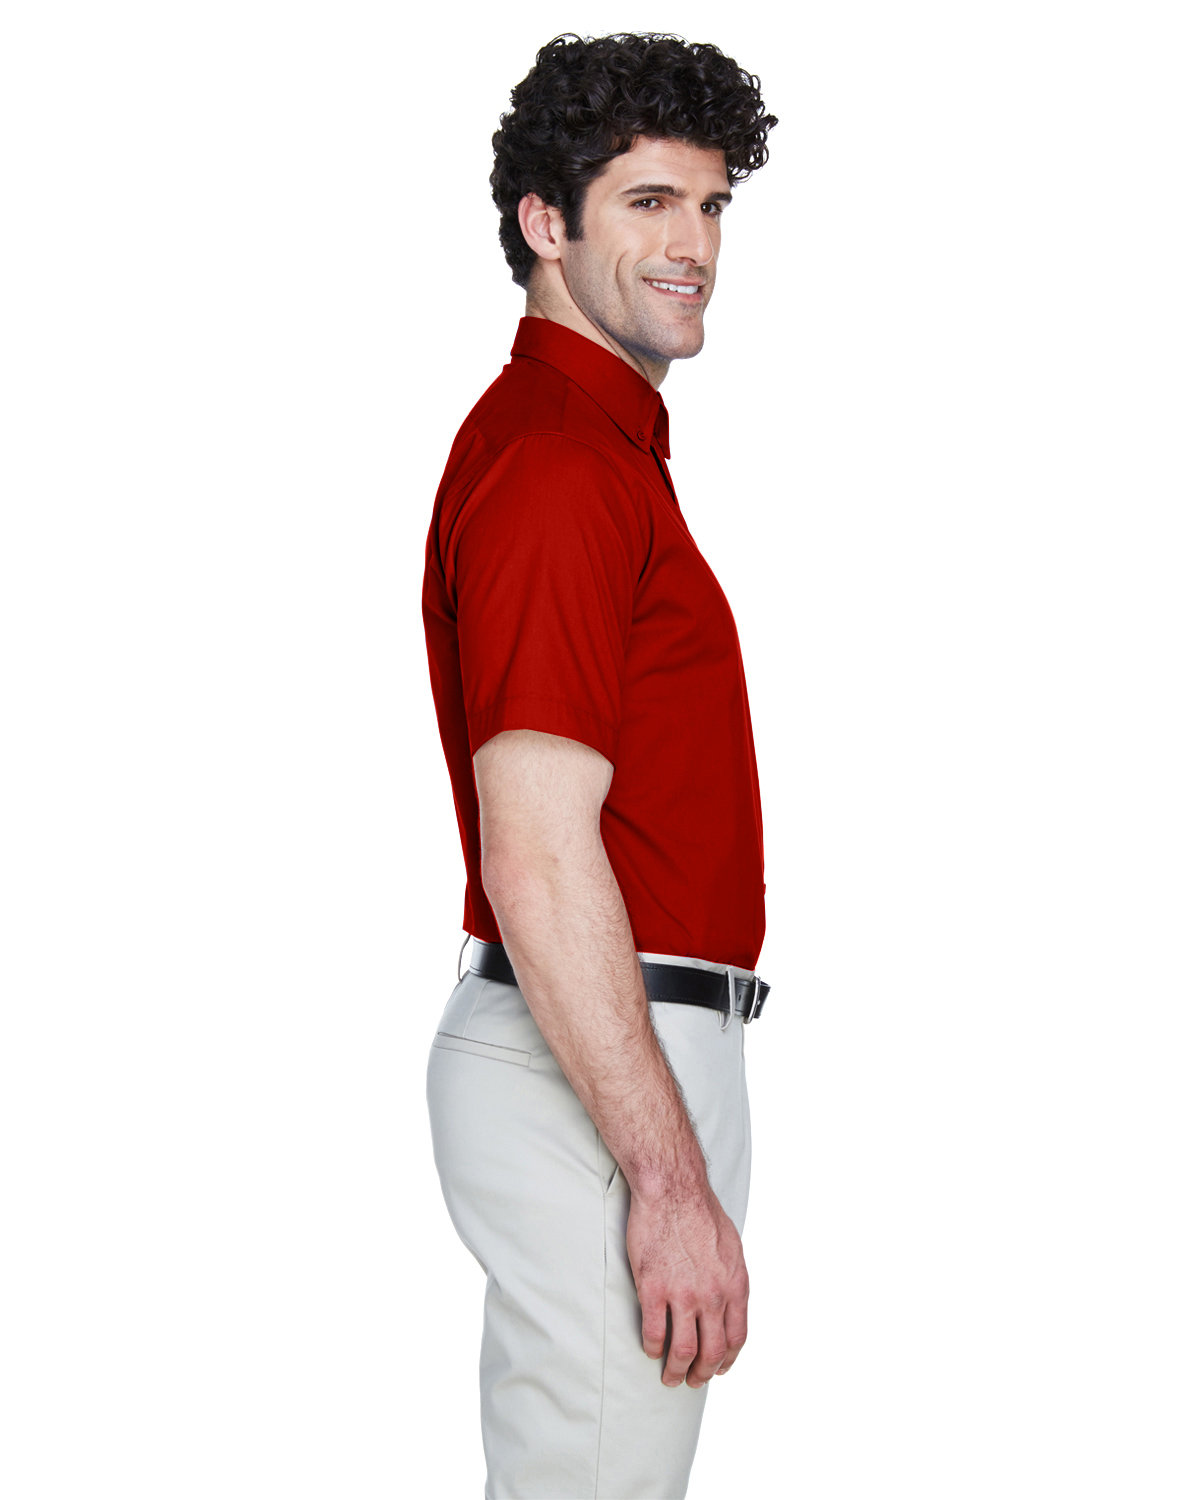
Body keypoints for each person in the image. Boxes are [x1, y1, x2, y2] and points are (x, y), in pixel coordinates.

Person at [421, 32, 777, 1500]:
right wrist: (670, 1181)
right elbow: (539, 848)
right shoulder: (563, 467)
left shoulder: (601, 452)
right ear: (545, 223)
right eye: (648, 201)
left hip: (609, 1048)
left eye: (711, 205)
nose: (694, 245)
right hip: (599, 1057)